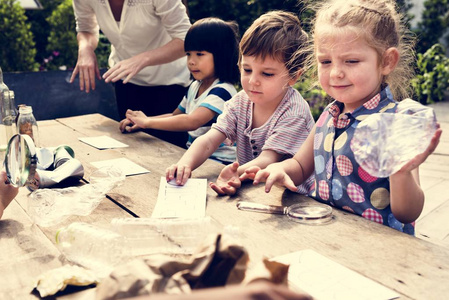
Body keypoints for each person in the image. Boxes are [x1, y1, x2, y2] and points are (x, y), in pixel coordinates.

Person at [246, 0, 443, 235]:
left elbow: (407, 213)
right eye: (325, 61)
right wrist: (281, 169)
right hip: (329, 237)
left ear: (387, 61)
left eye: (351, 61)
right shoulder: (328, 116)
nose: (336, 73)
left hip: (381, 249)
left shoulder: (396, 121)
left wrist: (399, 170)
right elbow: (300, 165)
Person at [165, 11, 315, 196]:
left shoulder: (294, 112)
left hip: (292, 198)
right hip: (252, 189)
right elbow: (210, 139)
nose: (253, 81)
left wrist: (236, 173)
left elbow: (269, 158)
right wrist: (184, 164)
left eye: (266, 74)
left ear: (294, 76)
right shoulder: (240, 101)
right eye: (247, 69)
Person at [70, 0, 191, 148]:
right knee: (131, 149)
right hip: (126, 81)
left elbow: (187, 39)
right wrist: (85, 49)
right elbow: (85, 28)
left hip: (170, 84)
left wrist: (141, 59)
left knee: (169, 153)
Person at [119, 17, 240, 161]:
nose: (191, 61)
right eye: (188, 54)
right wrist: (142, 122)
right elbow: (175, 115)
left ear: (221, 55)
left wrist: (148, 122)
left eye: (199, 54)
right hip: (196, 158)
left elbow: (192, 121)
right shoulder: (195, 86)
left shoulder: (222, 91)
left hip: (220, 161)